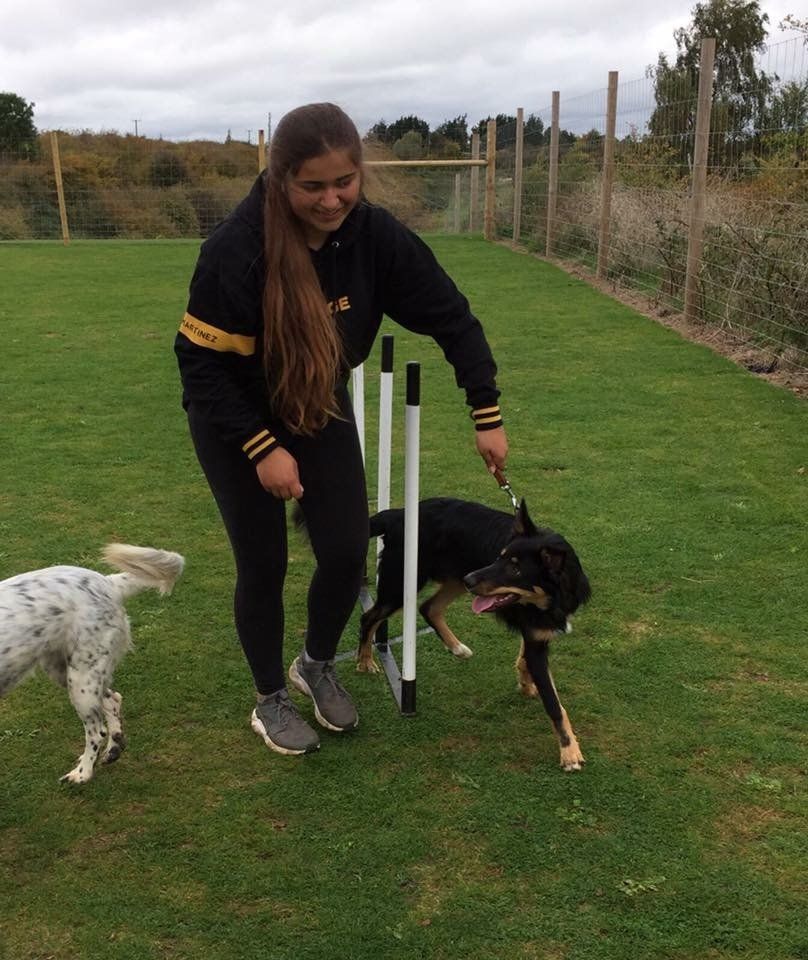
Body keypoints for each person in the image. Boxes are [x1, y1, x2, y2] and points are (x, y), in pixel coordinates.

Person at [175, 102, 508, 757]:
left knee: (348, 545)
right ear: (280, 180)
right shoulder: (237, 250)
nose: (332, 200)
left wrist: (486, 413)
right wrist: (261, 448)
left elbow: (453, 318)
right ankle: (271, 697)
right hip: (235, 416)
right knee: (263, 562)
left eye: (345, 182)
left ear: (360, 174)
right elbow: (199, 364)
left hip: (318, 402)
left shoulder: (375, 239)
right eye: (313, 187)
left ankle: (316, 664)